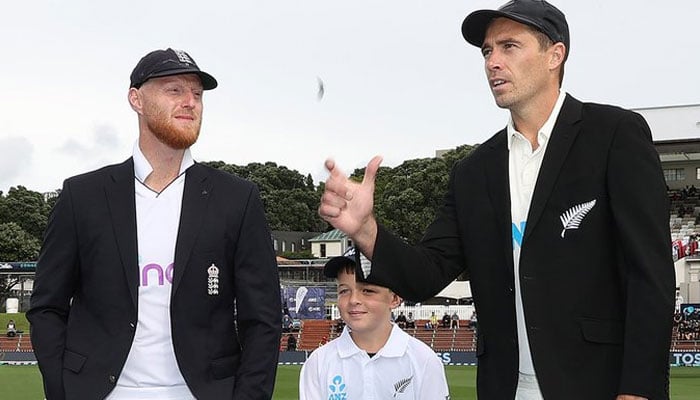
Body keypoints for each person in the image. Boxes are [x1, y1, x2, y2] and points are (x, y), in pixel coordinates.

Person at [318, 1, 675, 399]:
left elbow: (650, 275)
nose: (493, 62)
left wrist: (638, 390)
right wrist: (367, 230)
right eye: (488, 51)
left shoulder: (613, 135)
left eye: (509, 47)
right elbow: (426, 274)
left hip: (598, 384)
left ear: (555, 55)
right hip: (506, 387)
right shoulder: (474, 171)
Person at [27, 48, 282, 400]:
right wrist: (62, 388)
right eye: (174, 90)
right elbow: (46, 306)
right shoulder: (82, 196)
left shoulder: (237, 199)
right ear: (137, 99)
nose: (190, 102)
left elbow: (263, 319)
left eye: (197, 94)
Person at [299, 247, 449, 399]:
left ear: (395, 298)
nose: (353, 300)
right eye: (344, 291)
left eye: (367, 291)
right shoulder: (318, 362)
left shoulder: (423, 360)